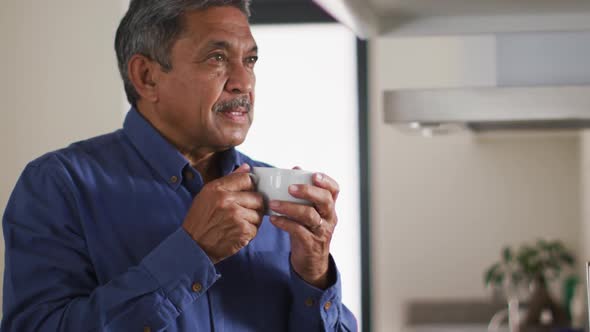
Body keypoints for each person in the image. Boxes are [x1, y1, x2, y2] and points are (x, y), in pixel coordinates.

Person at [1, 0, 357, 331]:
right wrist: (192, 254)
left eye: (250, 61)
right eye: (217, 58)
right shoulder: (58, 186)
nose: (243, 82)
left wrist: (315, 277)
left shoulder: (278, 195)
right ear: (146, 76)